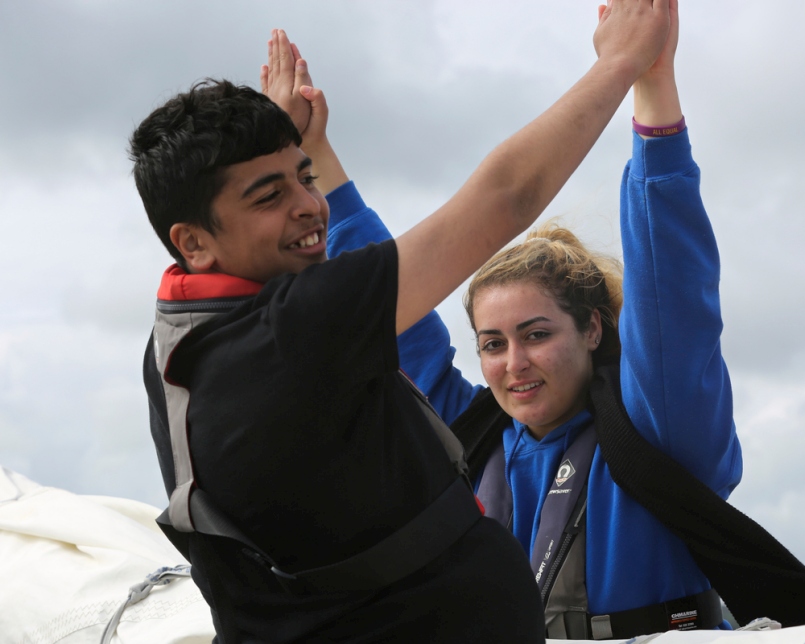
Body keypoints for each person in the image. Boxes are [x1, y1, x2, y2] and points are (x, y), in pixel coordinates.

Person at [133, 4, 672, 643]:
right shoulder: (289, 334)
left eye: (304, 178)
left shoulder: (182, 341)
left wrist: (301, 150)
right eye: (268, 196)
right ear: (193, 242)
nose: (310, 208)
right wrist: (622, 64)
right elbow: (506, 196)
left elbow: (382, 306)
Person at [300, 1, 740, 639]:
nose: (514, 363)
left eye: (537, 334)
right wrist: (317, 157)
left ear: (592, 329)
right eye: (492, 344)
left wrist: (653, 84)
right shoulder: (470, 440)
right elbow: (388, 317)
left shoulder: (661, 430)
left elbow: (674, 294)